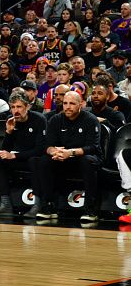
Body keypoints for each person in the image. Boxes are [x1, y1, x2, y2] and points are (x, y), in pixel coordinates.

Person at [37, 91, 102, 222]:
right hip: (63, 157)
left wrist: (70, 152)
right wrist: (53, 152)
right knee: (44, 161)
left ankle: (90, 210)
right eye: (65, 103)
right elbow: (47, 145)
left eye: (72, 103)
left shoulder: (90, 120)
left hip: (86, 157)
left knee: (87, 161)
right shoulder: (56, 119)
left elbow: (92, 147)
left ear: (81, 105)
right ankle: (48, 206)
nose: (67, 106)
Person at [0, 92, 47, 217]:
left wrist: (14, 156)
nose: (15, 111)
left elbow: (40, 149)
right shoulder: (11, 121)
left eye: (19, 107)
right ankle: (5, 204)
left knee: (35, 160)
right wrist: (9, 132)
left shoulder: (39, 120)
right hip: (19, 159)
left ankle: (38, 205)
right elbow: (6, 149)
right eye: (12, 107)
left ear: (27, 107)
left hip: (34, 159)